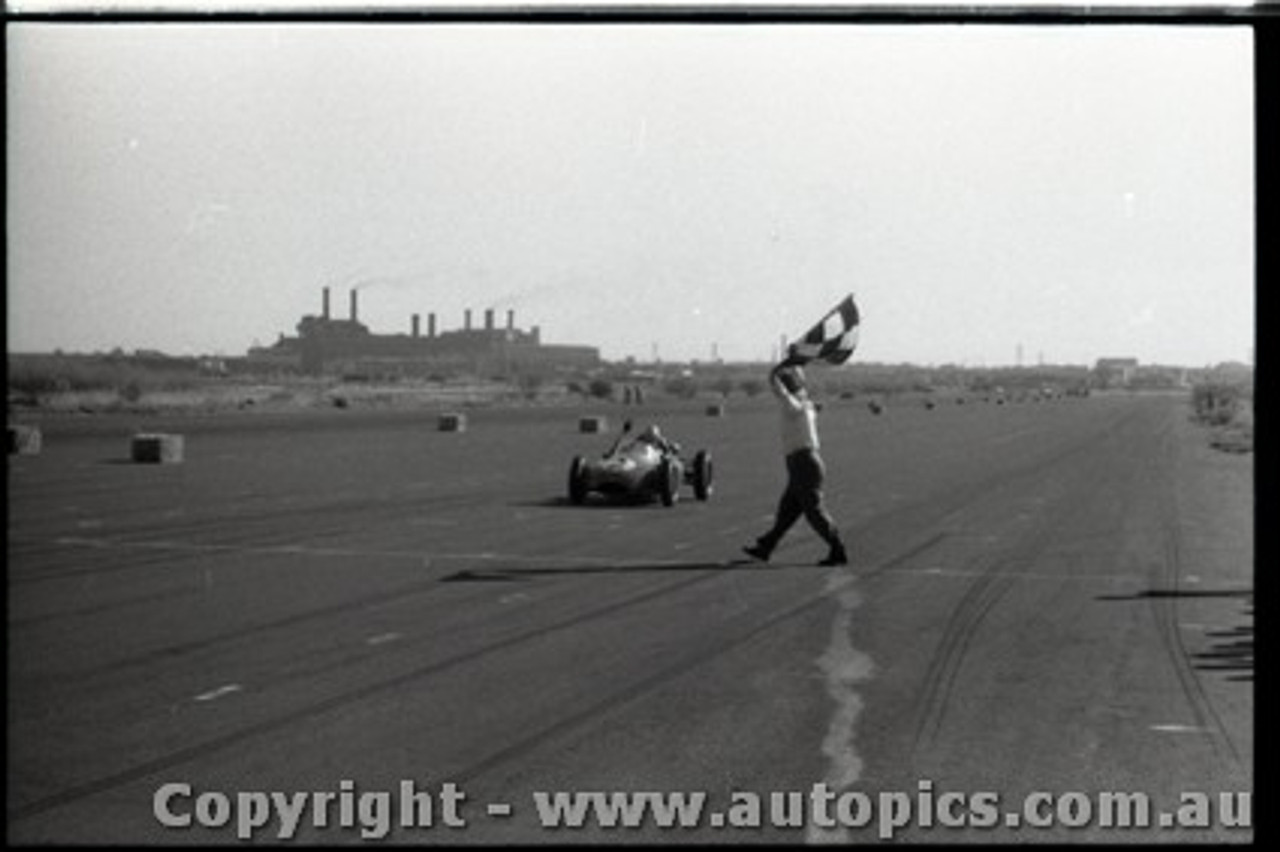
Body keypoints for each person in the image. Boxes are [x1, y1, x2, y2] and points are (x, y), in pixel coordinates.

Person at [743, 362, 849, 566]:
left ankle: (837, 548)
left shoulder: (791, 405)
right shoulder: (805, 406)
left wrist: (775, 372)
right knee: (788, 510)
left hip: (803, 463)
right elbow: (793, 393)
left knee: (812, 511)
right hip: (805, 463)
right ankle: (766, 546)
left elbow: (780, 391)